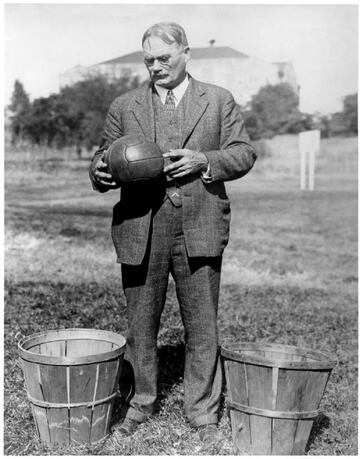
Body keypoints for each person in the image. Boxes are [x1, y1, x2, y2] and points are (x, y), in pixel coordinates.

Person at [89, 22, 256, 443]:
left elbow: (244, 153)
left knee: (202, 325)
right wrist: (100, 171)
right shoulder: (125, 105)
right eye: (149, 60)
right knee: (141, 324)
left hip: (200, 223)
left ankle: (203, 414)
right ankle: (140, 403)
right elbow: (102, 158)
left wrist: (204, 159)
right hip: (140, 226)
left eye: (164, 58)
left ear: (186, 52)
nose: (156, 67)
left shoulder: (218, 100)